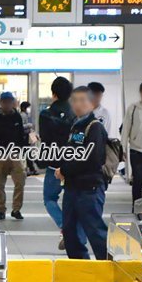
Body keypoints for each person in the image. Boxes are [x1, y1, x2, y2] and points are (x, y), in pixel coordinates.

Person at [55, 86, 109, 260]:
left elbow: (91, 158)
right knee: (70, 232)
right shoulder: (75, 126)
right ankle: (80, 267)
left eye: (83, 100)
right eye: (75, 100)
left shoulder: (95, 128)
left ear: (92, 104)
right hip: (72, 188)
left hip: (90, 189)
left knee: (95, 231)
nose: (78, 104)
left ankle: (108, 267)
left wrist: (64, 169)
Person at [38, 76, 86, 251]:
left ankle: (65, 228)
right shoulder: (77, 114)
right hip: (72, 164)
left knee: (49, 198)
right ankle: (79, 237)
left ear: (53, 93)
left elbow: (44, 139)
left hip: (53, 164)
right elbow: (79, 139)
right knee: (75, 201)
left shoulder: (45, 114)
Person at [0, 92, 28, 220]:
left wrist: (23, 150)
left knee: (20, 182)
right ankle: (1, 210)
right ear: (1, 103)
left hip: (15, 154)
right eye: (5, 102)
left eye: (10, 102)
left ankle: (16, 209)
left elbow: (21, 134)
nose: (8, 104)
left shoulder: (17, 117)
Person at [20, 101, 40, 175]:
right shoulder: (23, 115)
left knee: (28, 153)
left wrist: (35, 135)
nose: (29, 109)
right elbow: (21, 126)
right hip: (25, 136)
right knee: (27, 153)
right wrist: (29, 125)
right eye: (28, 107)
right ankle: (30, 169)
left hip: (28, 135)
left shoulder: (27, 115)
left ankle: (30, 168)